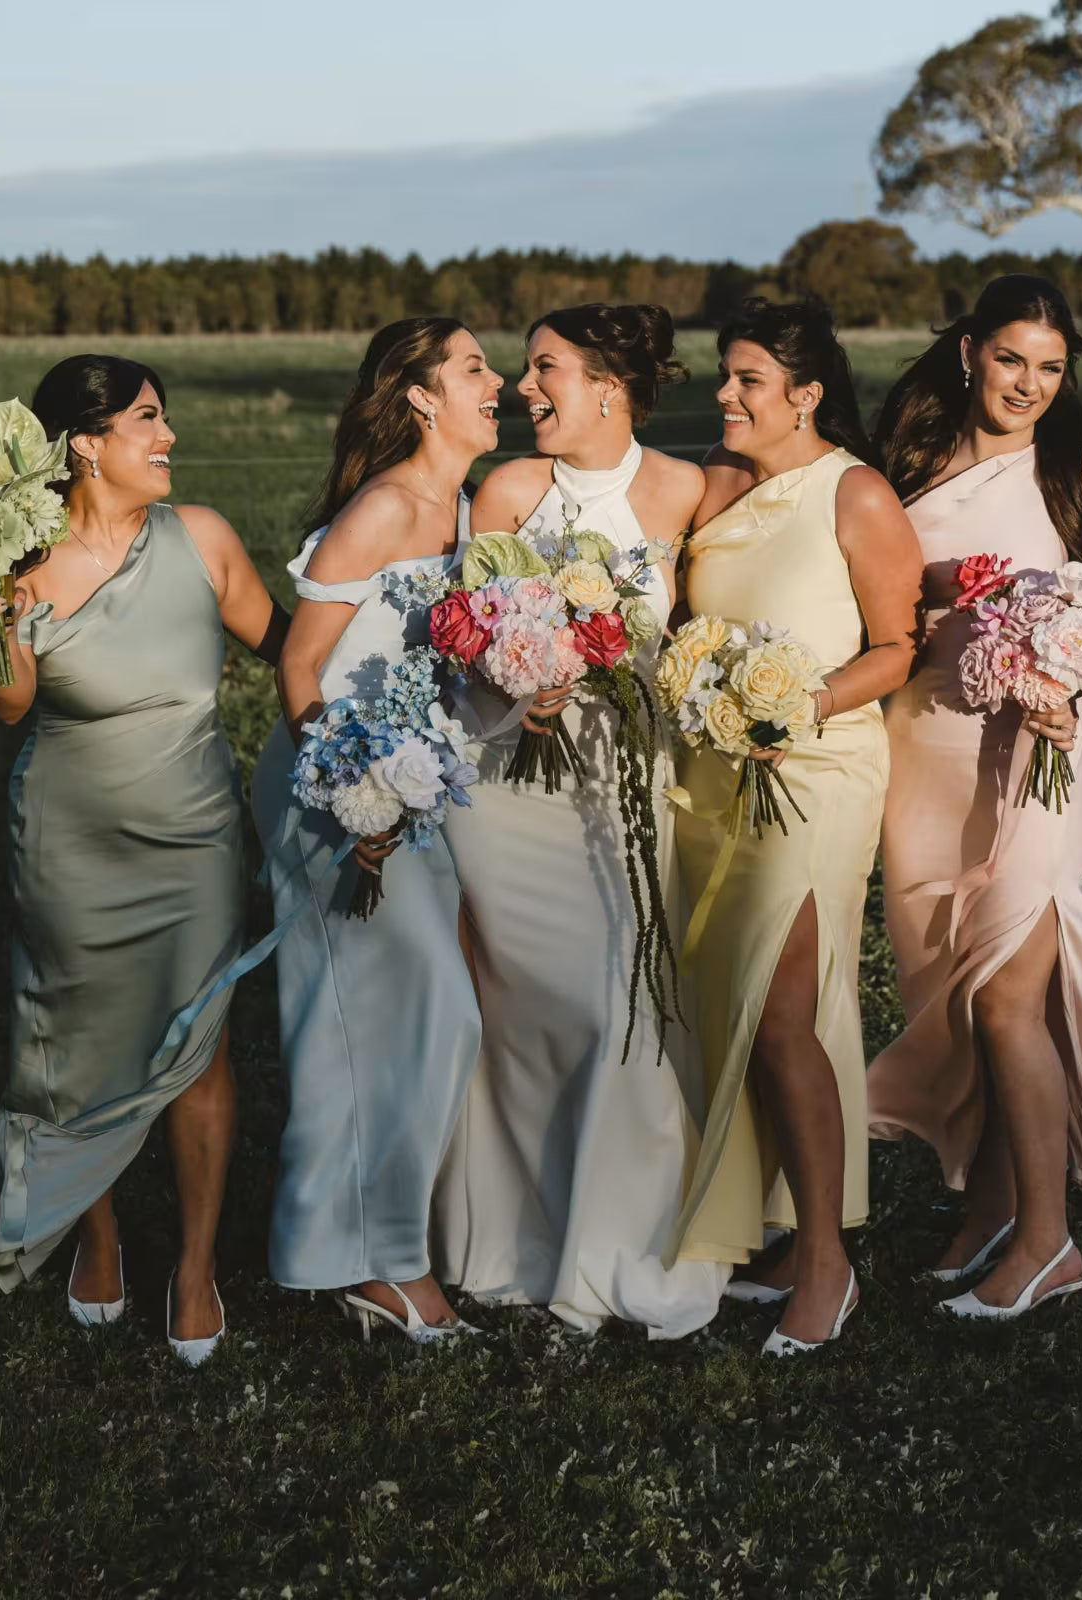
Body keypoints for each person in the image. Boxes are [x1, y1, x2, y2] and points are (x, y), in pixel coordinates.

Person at [0, 353, 287, 1364]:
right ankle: (94, 1238)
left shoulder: (203, 540)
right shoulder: (21, 567)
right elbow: (10, 706)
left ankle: (193, 1266)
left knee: (201, 1045)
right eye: (150, 420)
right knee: (81, 1041)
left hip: (192, 831)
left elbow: (291, 646)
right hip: (71, 838)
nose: (169, 438)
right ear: (87, 447)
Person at [433, 302, 731, 1339]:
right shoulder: (511, 489)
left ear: (609, 386)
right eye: (524, 370)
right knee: (520, 1016)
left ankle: (620, 1242)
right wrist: (518, 671)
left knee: (623, 1010)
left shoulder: (689, 489)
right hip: (513, 777)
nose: (525, 388)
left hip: (623, 786)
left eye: (543, 369)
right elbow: (461, 627)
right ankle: (513, 1236)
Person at [668, 299, 921, 1356]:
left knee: (782, 1006)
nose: (725, 396)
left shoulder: (854, 492)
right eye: (726, 377)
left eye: (747, 381)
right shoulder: (718, 484)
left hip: (817, 768)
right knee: (741, 1003)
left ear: (806, 395)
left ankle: (827, 1259)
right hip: (712, 775)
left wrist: (795, 704)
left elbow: (898, 645)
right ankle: (777, 1233)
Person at [250, 318, 500, 1342]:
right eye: (475, 367)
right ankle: (377, 1264)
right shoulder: (388, 504)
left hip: (414, 787)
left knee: (429, 1019)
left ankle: (377, 1252)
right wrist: (353, 786)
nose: (499, 382)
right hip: (334, 793)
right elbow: (299, 667)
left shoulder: (473, 506)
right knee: (380, 1021)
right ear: (422, 398)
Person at [868, 274, 1082, 1320]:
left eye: (1051, 369)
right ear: (969, 353)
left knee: (1013, 994)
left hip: (1037, 758)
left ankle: (1049, 1245)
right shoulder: (904, 472)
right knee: (948, 985)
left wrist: (1074, 688)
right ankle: (997, 1203)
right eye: (1013, 359)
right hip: (923, 752)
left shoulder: (1081, 481)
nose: (1030, 385)